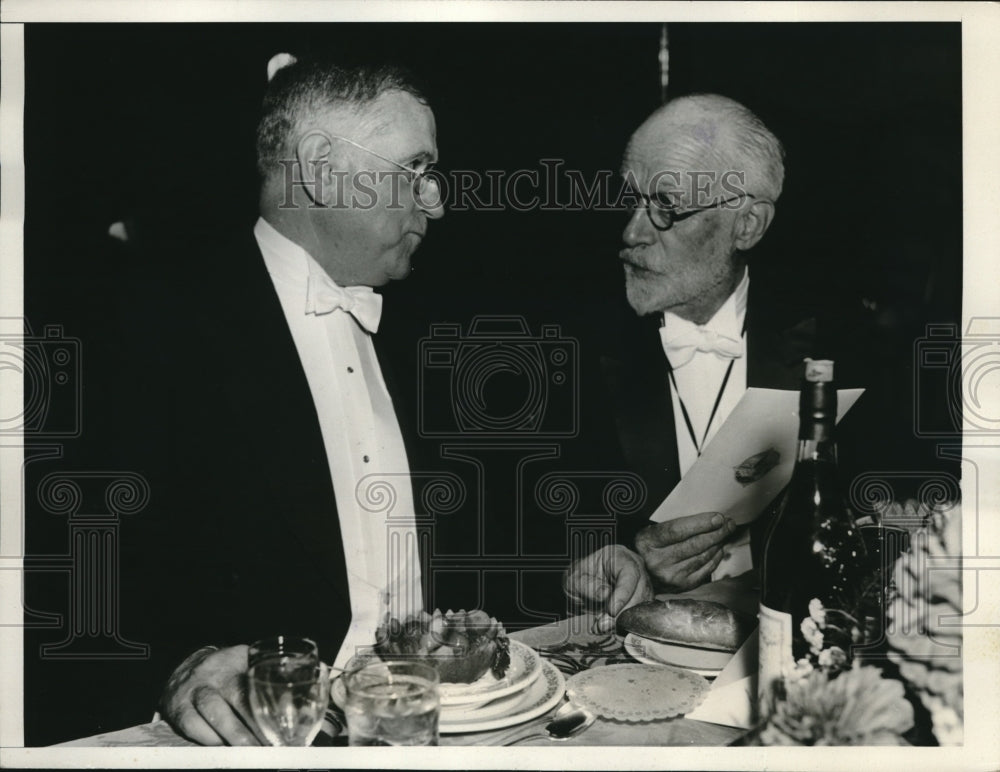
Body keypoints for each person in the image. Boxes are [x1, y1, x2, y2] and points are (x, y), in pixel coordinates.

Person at [109, 54, 445, 745]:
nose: (435, 199)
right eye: (413, 171)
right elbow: (79, 558)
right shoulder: (146, 324)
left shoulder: (427, 330)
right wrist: (180, 666)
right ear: (321, 170)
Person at [563, 93, 869, 632]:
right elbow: (516, 529)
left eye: (667, 207)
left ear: (747, 225)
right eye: (630, 200)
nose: (631, 233)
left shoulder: (843, 347)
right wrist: (618, 559)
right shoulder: (565, 348)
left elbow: (876, 521)